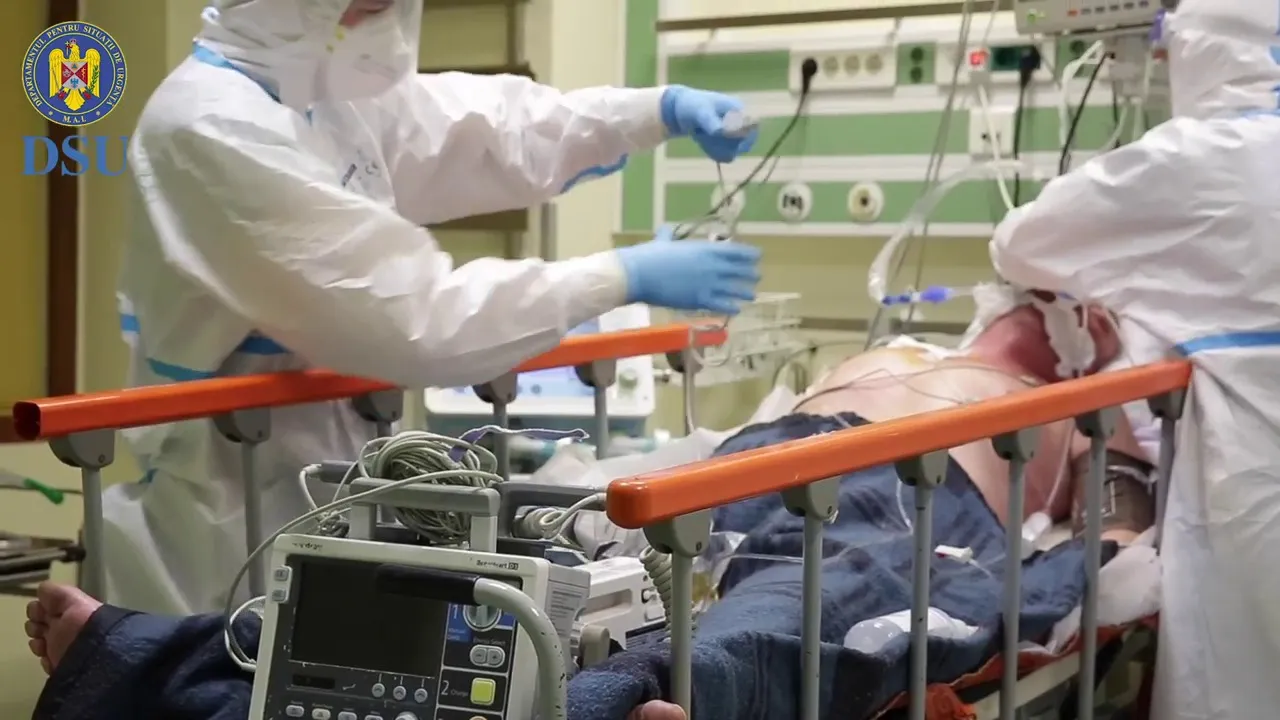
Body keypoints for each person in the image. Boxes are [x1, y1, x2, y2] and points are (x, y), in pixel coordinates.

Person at [25, 286, 1155, 720]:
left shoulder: (1073, 411)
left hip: (904, 505)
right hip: (742, 470)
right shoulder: (911, 349)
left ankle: (631, 703)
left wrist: (1103, 536)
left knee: (787, 613)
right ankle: (157, 652)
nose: (1058, 310)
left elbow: (1052, 557)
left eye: (1075, 309)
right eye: (1041, 299)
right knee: (537, 587)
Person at [107, 0, 764, 616]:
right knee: (239, 664)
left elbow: (492, 128)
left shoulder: (320, 97)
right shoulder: (210, 126)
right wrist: (619, 276)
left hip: (327, 477)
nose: (385, 16)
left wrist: (658, 111)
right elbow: (415, 316)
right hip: (228, 508)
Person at [985, 0, 1280, 717]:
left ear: (1199, 51)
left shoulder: (1199, 157)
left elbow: (1022, 244)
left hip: (1253, 493)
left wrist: (1102, 288)